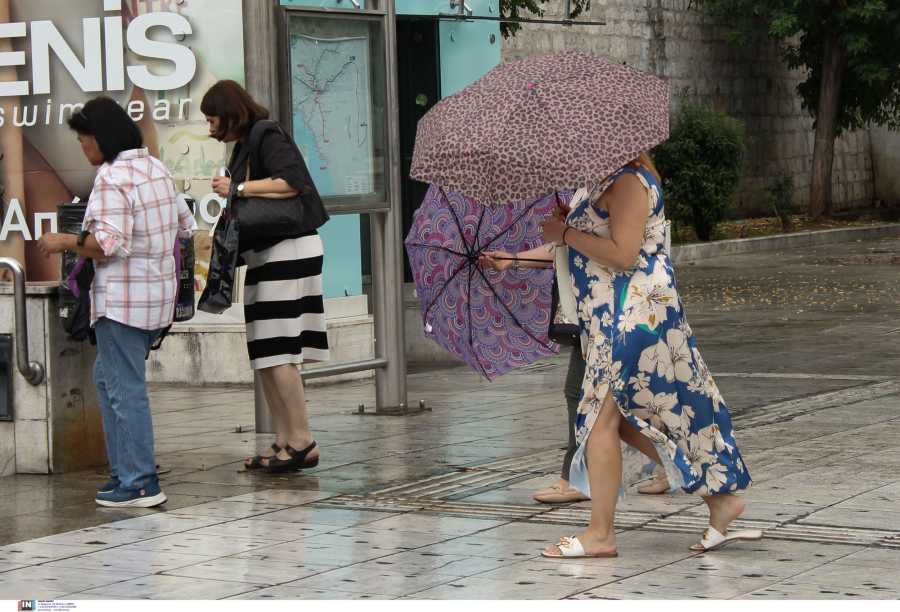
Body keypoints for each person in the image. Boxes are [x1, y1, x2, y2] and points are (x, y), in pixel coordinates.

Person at [482, 154, 758, 556]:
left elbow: (624, 254)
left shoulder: (628, 181)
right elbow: (579, 245)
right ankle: (719, 501)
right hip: (610, 316)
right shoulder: (602, 182)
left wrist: (567, 232)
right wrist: (518, 258)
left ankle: (601, 534)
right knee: (627, 424)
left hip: (633, 314)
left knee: (598, 422)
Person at [37, 97, 197, 508]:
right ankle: (125, 471)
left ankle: (140, 481)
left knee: (124, 388)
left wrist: (62, 241)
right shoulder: (154, 167)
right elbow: (186, 225)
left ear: (100, 137)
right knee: (109, 380)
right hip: (154, 300)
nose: (82, 147)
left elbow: (109, 243)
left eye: (83, 139)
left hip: (123, 301)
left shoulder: (113, 178)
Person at [201, 80, 330, 473]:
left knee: (278, 352)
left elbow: (292, 182)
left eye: (212, 118)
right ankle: (284, 439)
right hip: (268, 254)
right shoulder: (244, 145)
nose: (210, 127)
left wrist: (237, 186)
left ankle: (303, 440)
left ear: (229, 111)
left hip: (288, 248)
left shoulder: (264, 132)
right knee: (265, 352)